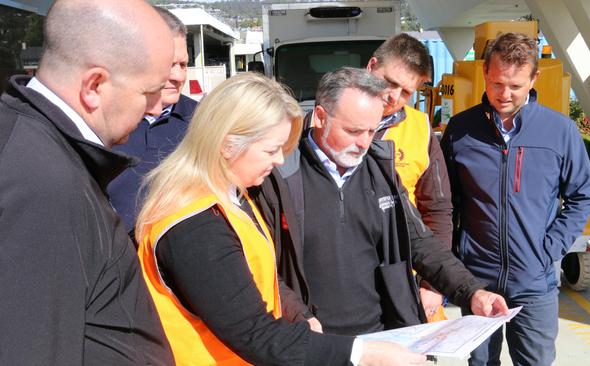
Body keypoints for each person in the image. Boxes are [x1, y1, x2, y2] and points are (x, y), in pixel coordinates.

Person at [135, 72, 428, 366]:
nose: (278, 160)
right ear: (227, 145)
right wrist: (362, 354)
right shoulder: (196, 224)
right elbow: (254, 333)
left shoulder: (230, 198)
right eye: (271, 149)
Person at [253, 67, 508, 338]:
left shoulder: (380, 169)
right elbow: (260, 268)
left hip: (380, 338)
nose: (363, 143)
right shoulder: (280, 175)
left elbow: (420, 241)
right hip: (312, 341)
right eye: (352, 131)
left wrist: (472, 291)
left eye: (371, 131)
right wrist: (298, 317)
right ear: (320, 117)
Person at [0, 0, 174, 364]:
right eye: (148, 92)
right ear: (94, 85)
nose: (157, 108)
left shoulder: (41, 150)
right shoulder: (42, 184)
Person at [440, 33, 590, 366]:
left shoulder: (560, 131)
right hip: (476, 280)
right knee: (481, 363)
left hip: (534, 282)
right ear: (485, 72)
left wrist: (550, 248)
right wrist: (455, 255)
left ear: (534, 79)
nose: (504, 94)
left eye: (515, 85)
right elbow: (445, 202)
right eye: (497, 83)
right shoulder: (460, 130)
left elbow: (583, 195)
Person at [366, 33, 453, 321]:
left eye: (406, 92)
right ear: (371, 66)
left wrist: (432, 284)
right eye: (389, 82)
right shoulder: (323, 120)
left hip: (407, 280)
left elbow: (437, 210)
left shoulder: (420, 129)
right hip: (345, 284)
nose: (394, 97)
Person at [108, 7, 198, 235]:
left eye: (184, 65)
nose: (179, 77)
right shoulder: (103, 123)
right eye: (169, 64)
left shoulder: (202, 121)